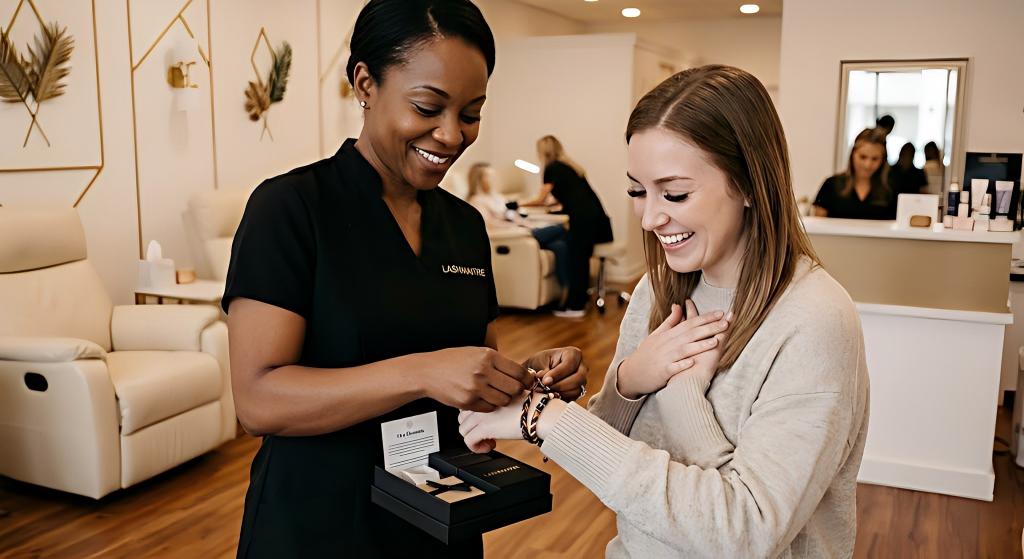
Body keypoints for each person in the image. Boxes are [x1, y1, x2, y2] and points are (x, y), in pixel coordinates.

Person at [457, 65, 870, 558]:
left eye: (674, 193)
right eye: (637, 190)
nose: (651, 217)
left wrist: (550, 418)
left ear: (747, 183)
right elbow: (608, 459)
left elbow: (747, 533)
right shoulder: (658, 290)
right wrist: (628, 382)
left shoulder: (814, 320)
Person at [222, 1, 588, 557]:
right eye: (427, 107)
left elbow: (471, 372)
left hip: (439, 510)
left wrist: (522, 377)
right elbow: (258, 401)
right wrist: (421, 373)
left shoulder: (463, 226)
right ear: (365, 83)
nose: (451, 135)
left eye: (471, 113)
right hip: (319, 520)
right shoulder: (291, 209)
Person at [521, 136, 613, 317]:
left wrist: (520, 204)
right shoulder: (570, 167)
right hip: (597, 218)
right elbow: (570, 198)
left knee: (576, 260)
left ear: (543, 151)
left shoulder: (552, 168)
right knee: (581, 258)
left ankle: (575, 307)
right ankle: (580, 303)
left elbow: (541, 199)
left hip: (583, 220)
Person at [467, 162, 570, 290]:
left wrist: (528, 224)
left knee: (560, 246)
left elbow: (514, 216)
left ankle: (567, 292)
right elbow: (489, 224)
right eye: (489, 176)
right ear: (478, 179)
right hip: (513, 236)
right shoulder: (476, 201)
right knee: (561, 229)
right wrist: (518, 227)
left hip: (524, 231)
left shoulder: (499, 198)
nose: (494, 179)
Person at [813, 127, 895, 219]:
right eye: (863, 157)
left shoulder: (890, 190)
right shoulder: (831, 185)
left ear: (883, 160)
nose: (868, 165)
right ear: (853, 154)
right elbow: (818, 225)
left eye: (875, 159)